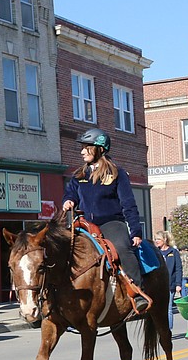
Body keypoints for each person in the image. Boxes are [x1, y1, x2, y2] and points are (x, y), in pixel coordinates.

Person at [61, 128, 150, 313]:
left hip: (111, 224)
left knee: (123, 248)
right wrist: (67, 200)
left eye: (86, 147)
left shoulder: (117, 174)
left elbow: (129, 204)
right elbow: (70, 192)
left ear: (99, 149)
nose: (82, 151)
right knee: (63, 249)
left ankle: (137, 292)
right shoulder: (79, 175)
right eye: (83, 148)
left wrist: (135, 231)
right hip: (85, 224)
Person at [154, 230, 183, 331]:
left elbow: (178, 269)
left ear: (164, 240)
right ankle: (159, 329)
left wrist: (178, 284)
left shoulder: (173, 252)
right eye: (155, 239)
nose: (156, 241)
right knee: (158, 310)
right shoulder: (155, 253)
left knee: (168, 309)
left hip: (170, 284)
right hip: (157, 286)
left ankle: (168, 330)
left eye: (158, 239)